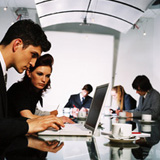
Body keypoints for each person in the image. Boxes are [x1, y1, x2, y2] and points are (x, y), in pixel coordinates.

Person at [0, 19, 64, 139]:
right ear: (17, 44)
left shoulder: (4, 73)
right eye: (33, 55)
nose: (33, 63)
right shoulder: (18, 88)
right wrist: (30, 126)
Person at [7, 54, 73, 123]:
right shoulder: (19, 89)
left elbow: (34, 113)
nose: (44, 80)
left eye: (47, 76)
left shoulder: (33, 91)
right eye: (39, 74)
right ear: (29, 73)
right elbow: (27, 116)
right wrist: (55, 119)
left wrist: (50, 115)